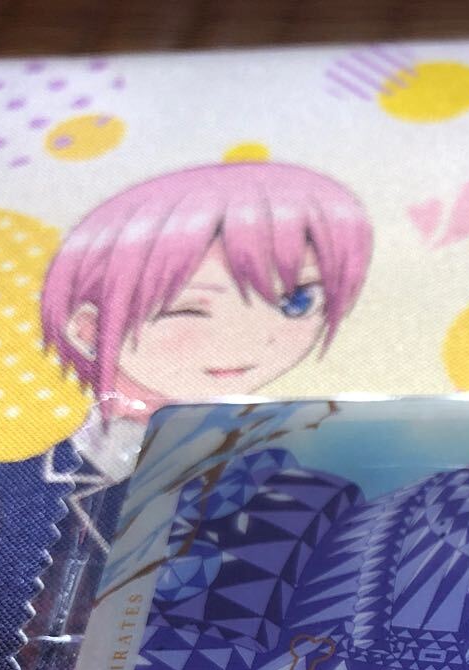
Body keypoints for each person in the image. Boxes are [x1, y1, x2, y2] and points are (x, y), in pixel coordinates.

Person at [40, 161, 373, 545]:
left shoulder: (307, 479)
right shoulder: (15, 486)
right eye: (187, 309)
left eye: (296, 302)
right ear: (89, 329)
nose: (253, 339)